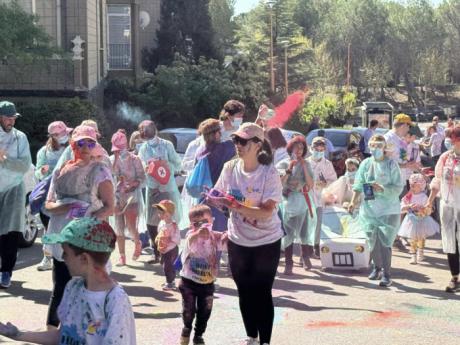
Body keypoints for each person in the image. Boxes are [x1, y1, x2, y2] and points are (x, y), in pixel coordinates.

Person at [0, 217, 136, 344]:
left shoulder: (116, 300)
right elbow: (63, 335)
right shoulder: (73, 286)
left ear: (84, 259)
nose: (62, 257)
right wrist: (18, 334)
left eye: (65, 252)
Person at [210, 123, 283, 345]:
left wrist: (237, 206)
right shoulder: (230, 168)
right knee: (244, 290)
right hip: (237, 239)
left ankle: (265, 341)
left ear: (258, 144)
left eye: (243, 141)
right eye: (236, 141)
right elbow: (218, 193)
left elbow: (266, 212)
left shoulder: (269, 173)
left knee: (262, 292)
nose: (238, 145)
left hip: (266, 241)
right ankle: (251, 336)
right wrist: (214, 198)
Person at [44, 125, 114, 328]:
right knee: (60, 288)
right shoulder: (61, 169)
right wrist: (64, 206)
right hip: (61, 239)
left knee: (90, 290)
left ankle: (91, 334)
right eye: (80, 143)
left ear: (95, 145)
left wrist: (88, 225)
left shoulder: (100, 169)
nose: (85, 147)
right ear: (73, 144)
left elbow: (110, 206)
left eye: (90, 143)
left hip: (88, 241)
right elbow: (48, 205)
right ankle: (53, 334)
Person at [348, 134, 404, 287]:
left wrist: (382, 189)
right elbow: (359, 184)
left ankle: (387, 274)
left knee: (385, 243)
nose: (376, 148)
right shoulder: (366, 163)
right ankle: (377, 267)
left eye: (379, 145)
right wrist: (353, 201)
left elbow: (398, 186)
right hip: (369, 209)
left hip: (388, 209)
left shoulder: (392, 164)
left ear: (385, 147)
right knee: (372, 241)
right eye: (373, 145)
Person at [178, 205, 227, 345]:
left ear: (212, 220)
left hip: (207, 283)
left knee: (205, 311)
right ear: (191, 225)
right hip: (189, 282)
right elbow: (190, 241)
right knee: (189, 310)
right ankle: (186, 328)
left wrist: (227, 236)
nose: (201, 226)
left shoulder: (214, 236)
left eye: (204, 221)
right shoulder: (190, 236)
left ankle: (198, 335)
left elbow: (225, 242)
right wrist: (197, 233)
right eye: (196, 223)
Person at [138, 120, 184, 263]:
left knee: (170, 219)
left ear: (155, 130)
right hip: (152, 188)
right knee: (151, 221)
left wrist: (165, 164)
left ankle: (170, 253)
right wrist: (147, 168)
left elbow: (178, 164)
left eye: (148, 130)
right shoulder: (143, 148)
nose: (146, 134)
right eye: (143, 132)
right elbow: (140, 167)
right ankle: (157, 252)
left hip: (167, 188)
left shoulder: (167, 145)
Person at [0, 101, 32, 289]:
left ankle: (6, 272)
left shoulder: (21, 138)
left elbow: (24, 165)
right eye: (7, 117)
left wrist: (4, 160)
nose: (11, 121)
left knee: (10, 232)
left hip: (13, 188)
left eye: (13, 118)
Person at [35, 121, 73, 272]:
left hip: (68, 194)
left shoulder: (73, 148)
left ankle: (67, 257)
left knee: (66, 227)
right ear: (53, 136)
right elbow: (37, 171)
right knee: (48, 227)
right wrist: (42, 172)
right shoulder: (44, 151)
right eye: (60, 134)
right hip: (49, 196)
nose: (64, 136)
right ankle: (48, 257)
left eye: (65, 133)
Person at [426, 127, 460, 292]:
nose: (452, 142)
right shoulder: (445, 157)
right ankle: (455, 277)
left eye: (454, 139)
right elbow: (437, 181)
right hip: (447, 205)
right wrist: (430, 201)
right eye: (452, 140)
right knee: (449, 241)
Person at [276, 136, 316, 274]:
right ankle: (288, 263)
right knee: (288, 234)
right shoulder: (282, 164)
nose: (299, 150)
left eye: (302, 147)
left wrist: (304, 166)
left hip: (303, 201)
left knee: (304, 231)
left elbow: (310, 184)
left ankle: (305, 257)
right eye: (296, 147)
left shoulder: (307, 164)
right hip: (287, 202)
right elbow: (279, 183)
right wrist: (289, 169)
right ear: (290, 148)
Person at [110, 129, 146, 266]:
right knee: (118, 228)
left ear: (126, 146)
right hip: (117, 197)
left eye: (120, 149)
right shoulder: (111, 159)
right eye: (116, 149)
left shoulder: (135, 159)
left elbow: (142, 178)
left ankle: (137, 242)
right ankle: (122, 256)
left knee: (131, 226)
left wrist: (132, 185)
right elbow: (110, 175)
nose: (118, 151)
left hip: (131, 196)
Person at [194, 119, 236, 231]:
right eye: (220, 132)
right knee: (218, 237)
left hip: (202, 200)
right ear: (217, 133)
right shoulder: (224, 148)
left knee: (204, 235)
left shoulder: (200, 151)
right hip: (218, 200)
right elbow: (246, 139)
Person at [398, 173, 439, 264]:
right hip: (411, 221)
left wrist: (423, 208)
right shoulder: (408, 196)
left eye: (414, 186)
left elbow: (428, 208)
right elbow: (401, 207)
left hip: (422, 220)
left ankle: (420, 252)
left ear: (421, 187)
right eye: (411, 186)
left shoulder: (424, 197)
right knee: (412, 239)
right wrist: (408, 206)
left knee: (421, 238)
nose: (412, 188)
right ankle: (413, 256)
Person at [307, 137, 337, 258]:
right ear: (311, 148)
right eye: (316, 149)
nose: (319, 152)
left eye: (321, 150)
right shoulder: (305, 162)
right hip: (307, 197)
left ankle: (316, 246)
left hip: (320, 197)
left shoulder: (327, 164)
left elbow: (333, 180)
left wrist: (326, 183)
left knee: (319, 223)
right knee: (307, 224)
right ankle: (306, 248)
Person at [153, 200, 180, 291]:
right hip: (163, 249)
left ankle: (170, 282)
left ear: (168, 214)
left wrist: (167, 240)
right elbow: (159, 232)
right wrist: (158, 239)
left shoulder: (173, 225)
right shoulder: (162, 223)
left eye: (161, 213)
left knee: (168, 266)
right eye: (158, 212)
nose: (158, 214)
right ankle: (170, 280)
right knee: (164, 264)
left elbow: (176, 239)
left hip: (171, 249)